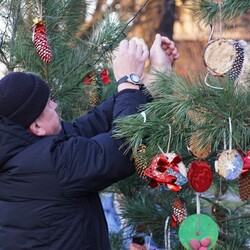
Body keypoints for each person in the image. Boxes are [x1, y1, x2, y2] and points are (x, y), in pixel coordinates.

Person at [0, 34, 178, 250]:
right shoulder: (51, 163)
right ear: (36, 126)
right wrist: (128, 79)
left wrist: (153, 80)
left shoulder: (22, 150)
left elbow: (93, 125)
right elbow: (122, 150)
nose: (55, 105)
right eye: (48, 104)